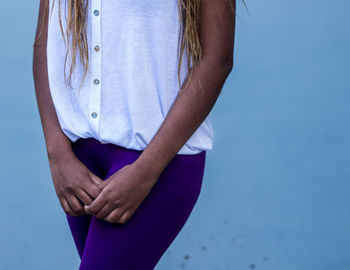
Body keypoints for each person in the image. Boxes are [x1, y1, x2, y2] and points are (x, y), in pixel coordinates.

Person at [32, 0, 240, 269]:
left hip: (156, 161)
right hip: (79, 163)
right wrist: (57, 153)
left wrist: (146, 172)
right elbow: (44, 42)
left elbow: (217, 58)